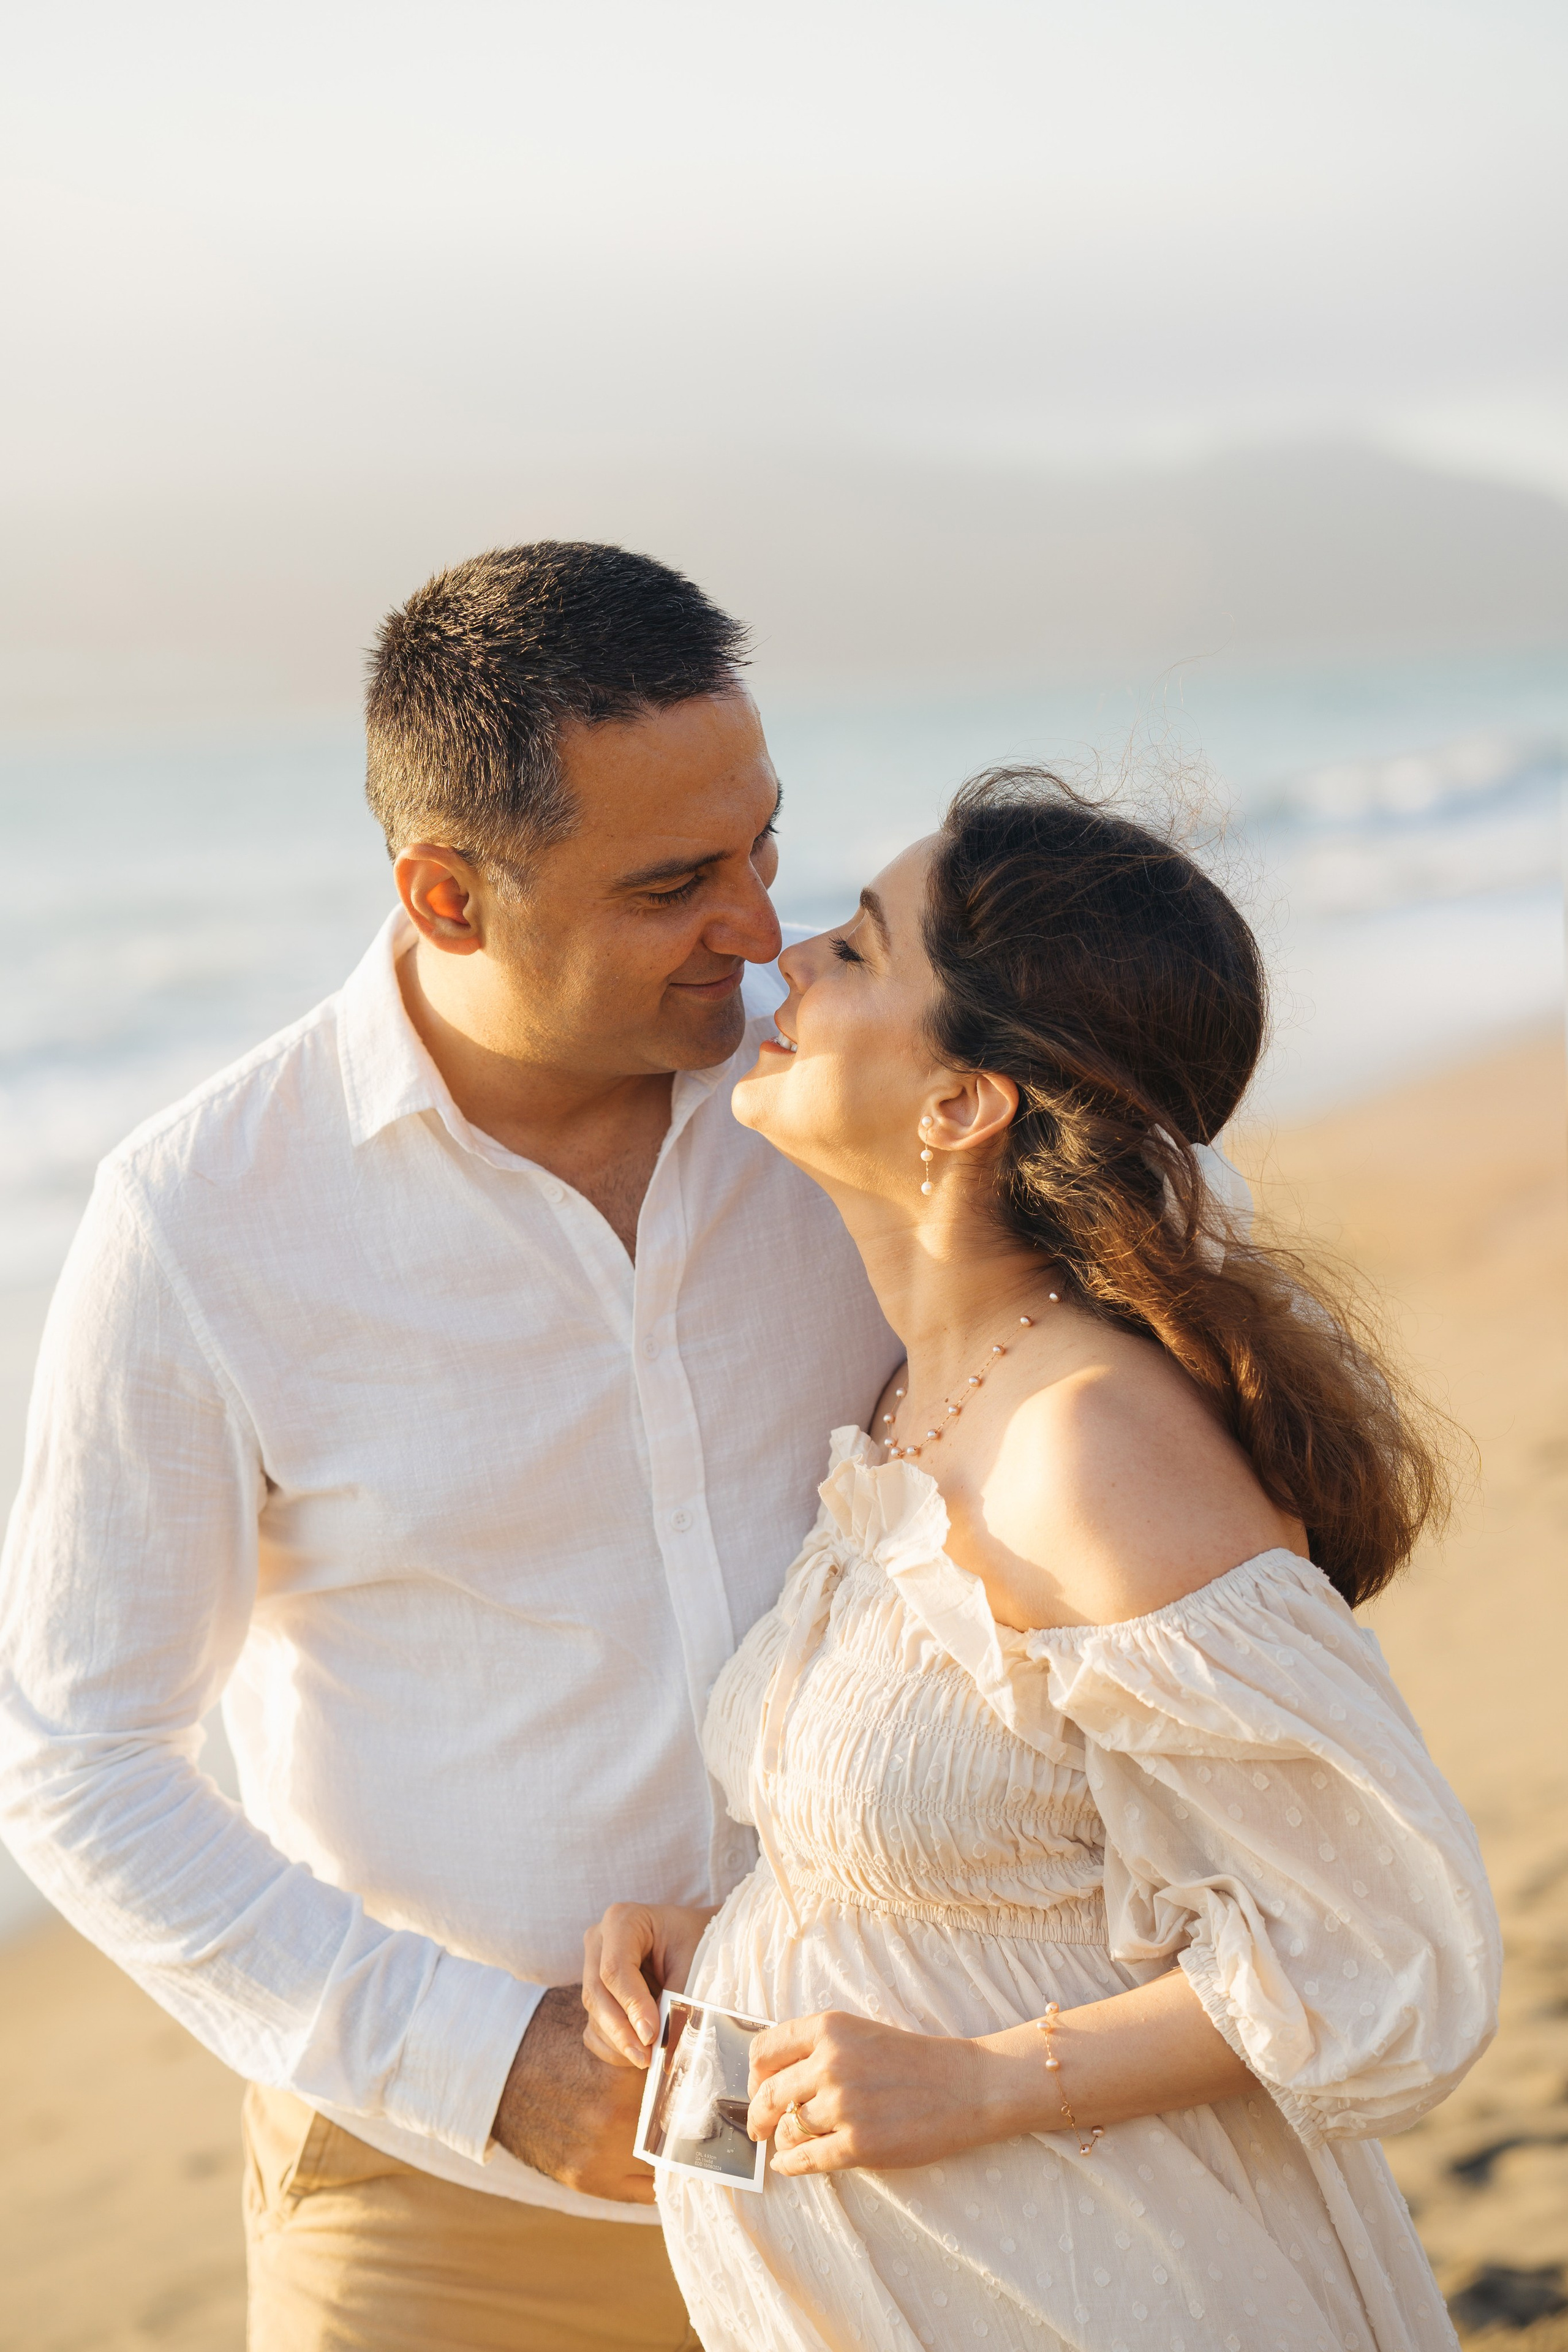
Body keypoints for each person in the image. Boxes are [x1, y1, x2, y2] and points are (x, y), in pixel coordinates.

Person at [0, 541, 897, 2351]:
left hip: (902, 2121)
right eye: (671, 885)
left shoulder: (863, 1071)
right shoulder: (204, 1219)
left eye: (763, 848)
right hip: (446, 2206)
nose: (756, 926)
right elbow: (79, 1759)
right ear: (446, 894)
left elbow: (1188, 1335)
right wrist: (491, 2070)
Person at [583, 771, 1500, 2352]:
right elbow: (1024, 1852)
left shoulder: (1090, 1444)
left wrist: (989, 2081)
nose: (790, 957)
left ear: (962, 1104)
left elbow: (1386, 1945)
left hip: (1102, 2279)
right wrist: (737, 1918)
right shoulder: (915, 1396)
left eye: (861, 952)